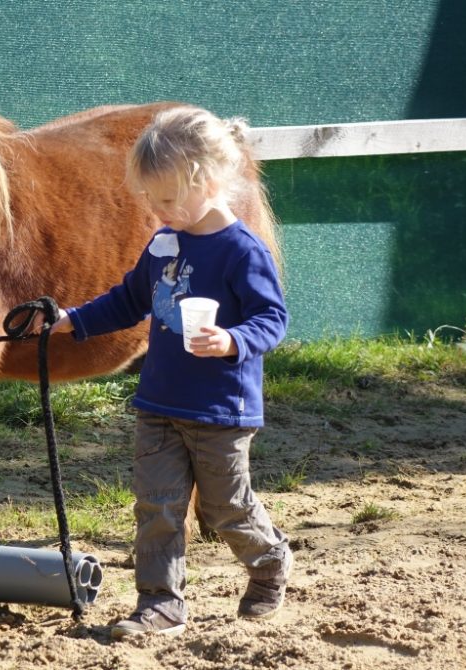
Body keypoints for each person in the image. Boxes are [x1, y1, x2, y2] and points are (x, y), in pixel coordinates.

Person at [51, 106, 293, 638]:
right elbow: (129, 300)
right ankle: (159, 603)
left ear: (204, 182)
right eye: (151, 199)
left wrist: (232, 339)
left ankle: (269, 561)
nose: (157, 211)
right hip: (159, 403)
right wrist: (73, 322)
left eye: (166, 199)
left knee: (227, 508)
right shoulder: (164, 243)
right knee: (156, 506)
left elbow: (272, 319)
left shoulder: (241, 251)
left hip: (221, 409)